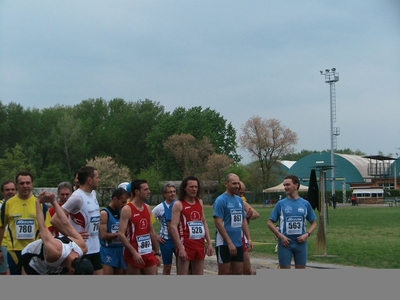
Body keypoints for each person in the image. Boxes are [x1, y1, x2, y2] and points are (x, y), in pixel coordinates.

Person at [20, 191, 94, 275]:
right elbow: (42, 227)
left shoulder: (83, 248)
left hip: (56, 264)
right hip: (33, 261)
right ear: (72, 271)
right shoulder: (55, 251)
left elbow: (65, 222)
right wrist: (38, 202)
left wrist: (53, 201)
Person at [51, 166, 103, 275]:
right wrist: (72, 236)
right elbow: (55, 219)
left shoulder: (93, 193)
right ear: (89, 180)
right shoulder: (77, 197)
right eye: (97, 177)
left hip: (95, 248)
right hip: (81, 249)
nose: (99, 180)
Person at [0, 171, 47, 275]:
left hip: (35, 251)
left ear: (32, 184)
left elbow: (47, 228)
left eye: (28, 183)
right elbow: (1, 227)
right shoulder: (8, 204)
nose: (25, 186)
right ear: (16, 185)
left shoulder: (40, 204)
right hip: (14, 252)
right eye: (21, 183)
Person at [267, 175, 317, 269]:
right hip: (285, 244)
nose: (285, 187)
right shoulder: (281, 204)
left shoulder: (305, 204)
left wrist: (307, 234)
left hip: (301, 244)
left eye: (288, 185)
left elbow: (314, 222)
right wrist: (280, 236)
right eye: (284, 185)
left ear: (296, 185)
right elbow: (270, 223)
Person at [169, 176, 214, 275]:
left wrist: (210, 243)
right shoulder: (179, 204)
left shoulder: (200, 202)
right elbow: (173, 227)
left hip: (199, 244)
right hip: (186, 244)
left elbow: (204, 223)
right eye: (191, 187)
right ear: (185, 188)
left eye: (196, 187)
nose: (194, 189)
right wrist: (180, 248)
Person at [117, 179, 161, 275]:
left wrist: (157, 252)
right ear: (137, 192)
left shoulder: (147, 208)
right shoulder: (127, 209)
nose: (149, 192)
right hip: (134, 254)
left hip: (148, 252)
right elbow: (120, 234)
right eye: (145, 190)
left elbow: (152, 231)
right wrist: (134, 253)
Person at [213, 173, 253, 275]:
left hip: (238, 242)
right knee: (225, 272)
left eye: (238, 183)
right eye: (234, 183)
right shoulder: (220, 200)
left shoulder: (239, 200)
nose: (237, 186)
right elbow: (218, 223)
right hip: (224, 243)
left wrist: (249, 238)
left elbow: (243, 221)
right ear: (226, 184)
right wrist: (229, 243)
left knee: (238, 271)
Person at [99, 187, 128, 275]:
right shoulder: (104, 213)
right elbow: (103, 235)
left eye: (125, 202)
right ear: (115, 199)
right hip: (108, 250)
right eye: (122, 202)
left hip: (120, 249)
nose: (124, 204)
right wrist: (119, 234)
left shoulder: (122, 212)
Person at [152, 183, 177, 275]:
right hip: (166, 241)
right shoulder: (159, 208)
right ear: (164, 194)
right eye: (170, 192)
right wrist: (156, 236)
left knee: (183, 266)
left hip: (179, 240)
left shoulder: (179, 205)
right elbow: (148, 222)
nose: (173, 194)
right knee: (167, 266)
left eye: (174, 191)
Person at [237, 181, 259, 275]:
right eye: (240, 193)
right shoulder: (223, 200)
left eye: (243, 193)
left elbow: (256, 214)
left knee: (247, 270)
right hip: (227, 239)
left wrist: (246, 216)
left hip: (241, 238)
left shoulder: (241, 201)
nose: (242, 195)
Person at [0, 181, 17, 275]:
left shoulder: (20, 204)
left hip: (17, 245)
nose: (10, 191)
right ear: (2, 192)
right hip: (3, 245)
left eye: (12, 189)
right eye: (7, 190)